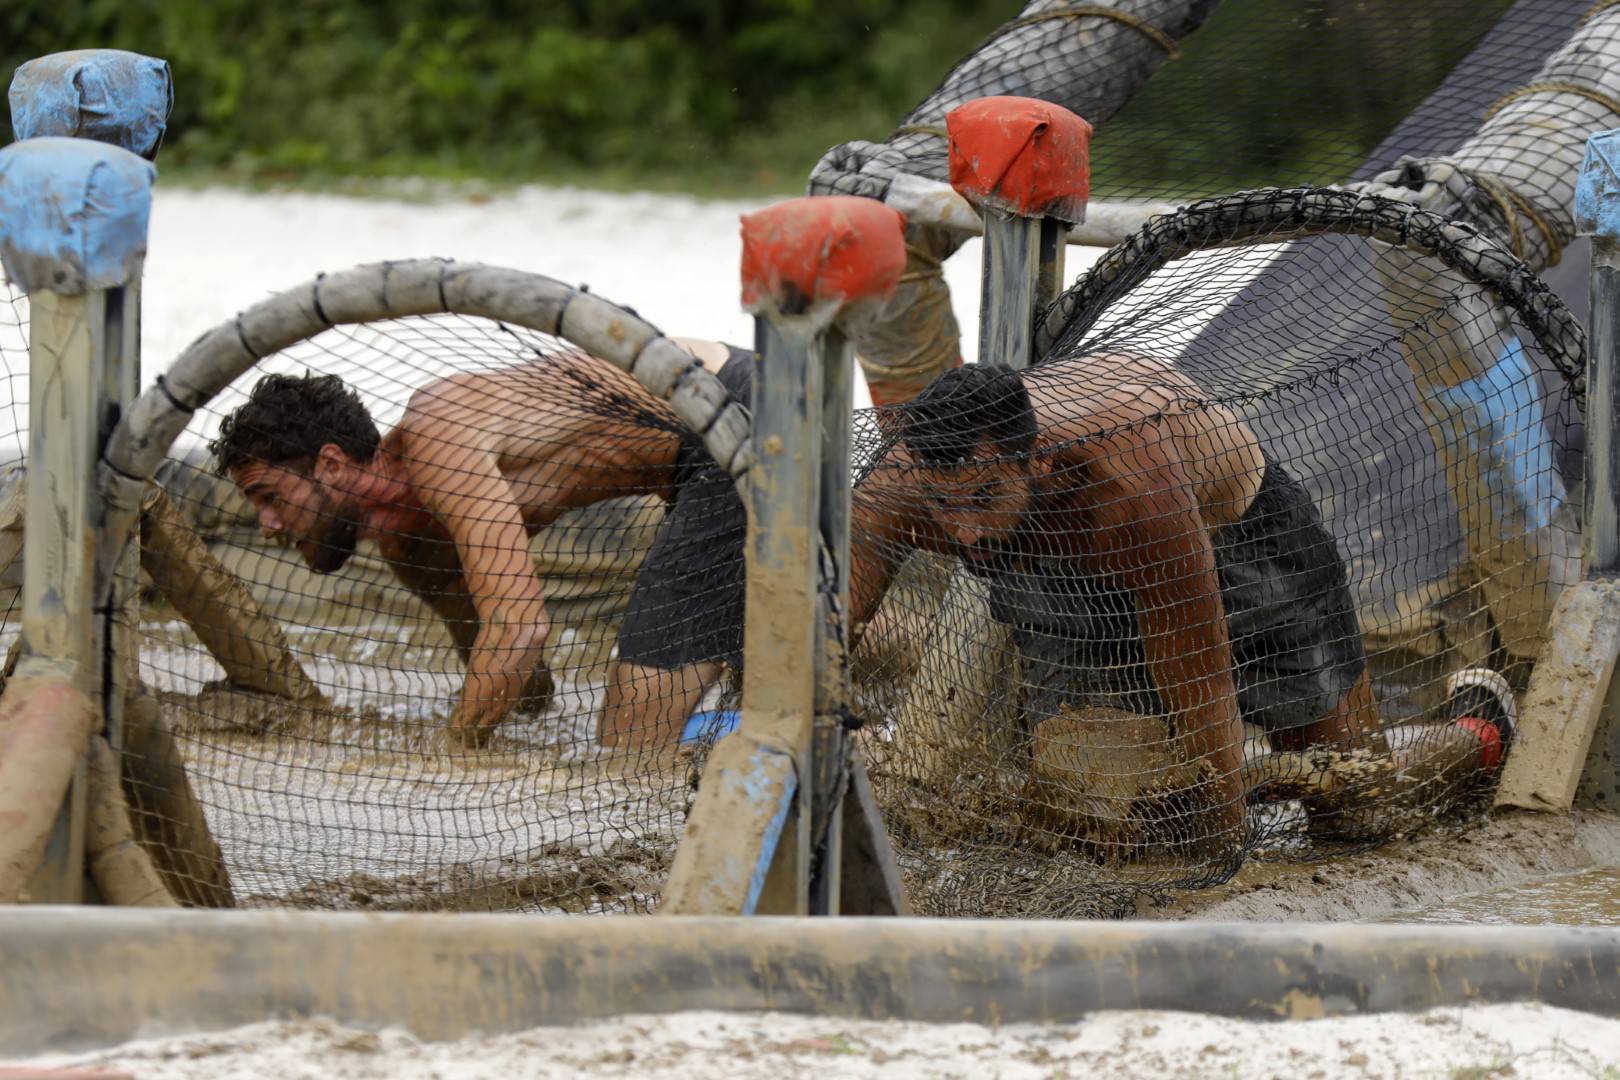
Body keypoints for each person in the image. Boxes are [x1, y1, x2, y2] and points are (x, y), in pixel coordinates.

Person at [848, 356, 1398, 842]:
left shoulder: (1132, 486)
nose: (963, 532)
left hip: (1242, 545)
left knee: (1355, 803)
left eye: (984, 497)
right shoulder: (897, 493)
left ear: (1038, 459)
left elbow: (1201, 682)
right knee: (1104, 821)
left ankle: (1479, 734)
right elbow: (821, 633)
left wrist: (1223, 848)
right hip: (1057, 577)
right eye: (944, 505)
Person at [210, 338, 751, 750]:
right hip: (711, 459)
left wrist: (443, 760)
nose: (267, 525)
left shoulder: (436, 431)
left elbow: (520, 628)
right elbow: (525, 690)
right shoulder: (413, 548)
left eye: (269, 497)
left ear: (329, 464)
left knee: (631, 742)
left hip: (740, 409)